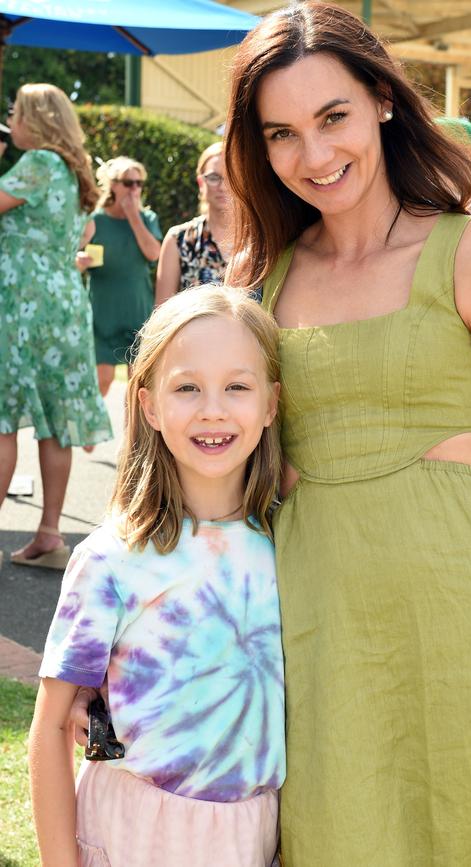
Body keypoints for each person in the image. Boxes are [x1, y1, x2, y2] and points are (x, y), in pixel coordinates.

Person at [221, 4, 471, 864]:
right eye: (282, 134)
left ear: (381, 100)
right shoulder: (258, 283)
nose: (316, 155)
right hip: (322, 643)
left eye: (333, 117)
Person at [29, 285, 284, 867]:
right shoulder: (111, 559)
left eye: (238, 387)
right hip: (129, 831)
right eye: (187, 387)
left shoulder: (291, 547)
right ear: (148, 406)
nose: (213, 409)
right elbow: (47, 731)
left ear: (272, 404)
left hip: (253, 835)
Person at [0, 83, 112, 572]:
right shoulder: (74, 171)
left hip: (20, 302)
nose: (11, 122)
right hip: (64, 302)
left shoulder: (39, 163)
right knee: (56, 419)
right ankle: (49, 534)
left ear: (37, 121)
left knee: (3, 416)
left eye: (16, 114)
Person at [79, 156, 162, 397]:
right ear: (113, 184)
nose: (135, 188)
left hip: (137, 312)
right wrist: (80, 260)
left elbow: (153, 253)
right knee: (100, 382)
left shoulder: (148, 219)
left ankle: (132, 436)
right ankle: (87, 434)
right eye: (128, 182)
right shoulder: (95, 220)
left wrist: (133, 216)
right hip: (102, 313)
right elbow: (73, 252)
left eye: (139, 183)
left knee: (137, 388)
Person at [155, 142, 231, 305]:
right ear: (201, 183)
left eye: (231, 176)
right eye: (213, 177)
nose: (223, 186)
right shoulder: (179, 239)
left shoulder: (262, 240)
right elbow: (160, 316)